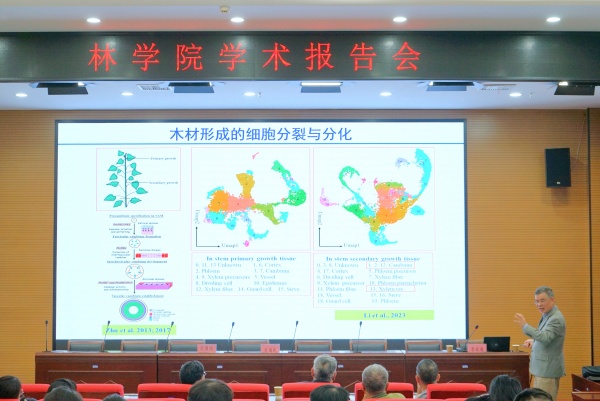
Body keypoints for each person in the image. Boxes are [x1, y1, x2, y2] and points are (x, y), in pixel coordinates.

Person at [514, 286, 566, 401]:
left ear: (552, 299)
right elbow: (548, 338)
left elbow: (545, 337)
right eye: (536, 301)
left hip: (547, 371)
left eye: (542, 301)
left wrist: (525, 326)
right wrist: (534, 342)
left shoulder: (555, 318)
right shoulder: (548, 315)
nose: (539, 304)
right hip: (542, 370)